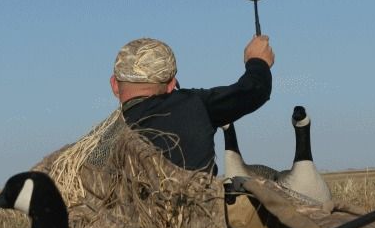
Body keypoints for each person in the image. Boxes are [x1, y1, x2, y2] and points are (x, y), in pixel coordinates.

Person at [110, 34, 274, 173]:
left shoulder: (99, 141)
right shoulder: (195, 104)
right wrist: (257, 61)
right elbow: (255, 90)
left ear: (115, 85)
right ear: (171, 85)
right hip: (198, 210)